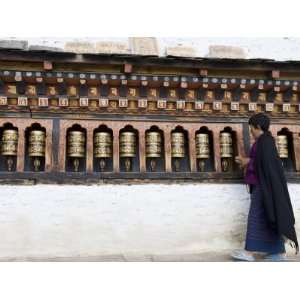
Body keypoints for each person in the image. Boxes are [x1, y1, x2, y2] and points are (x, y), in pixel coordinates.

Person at [231, 113, 299, 262]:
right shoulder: (264, 141)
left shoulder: (265, 141)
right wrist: (247, 161)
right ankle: (278, 252)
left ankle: (249, 252)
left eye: (252, 129)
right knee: (269, 217)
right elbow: (262, 162)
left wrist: (246, 161)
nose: (251, 132)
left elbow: (266, 163)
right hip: (263, 186)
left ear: (258, 127)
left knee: (256, 217)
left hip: (263, 188)